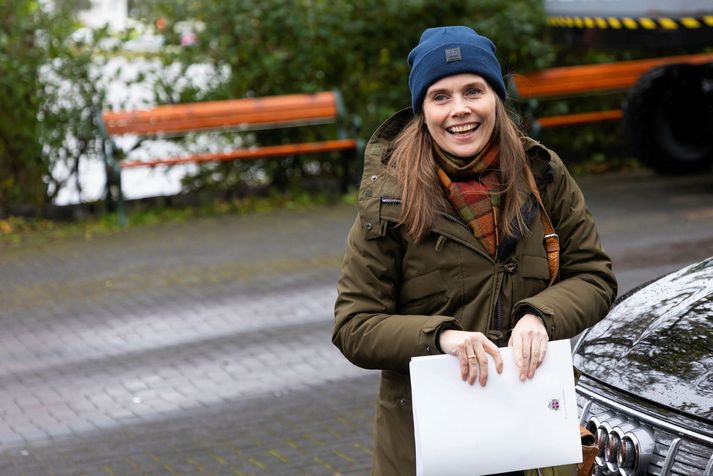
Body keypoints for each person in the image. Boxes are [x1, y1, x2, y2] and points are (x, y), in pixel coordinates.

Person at [332, 25, 617, 475]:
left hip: (535, 440)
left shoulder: (541, 173)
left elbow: (594, 276)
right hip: (429, 447)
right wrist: (441, 337)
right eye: (440, 96)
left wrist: (540, 315)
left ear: (496, 99)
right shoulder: (389, 197)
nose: (459, 110)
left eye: (473, 91)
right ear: (422, 110)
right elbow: (355, 325)